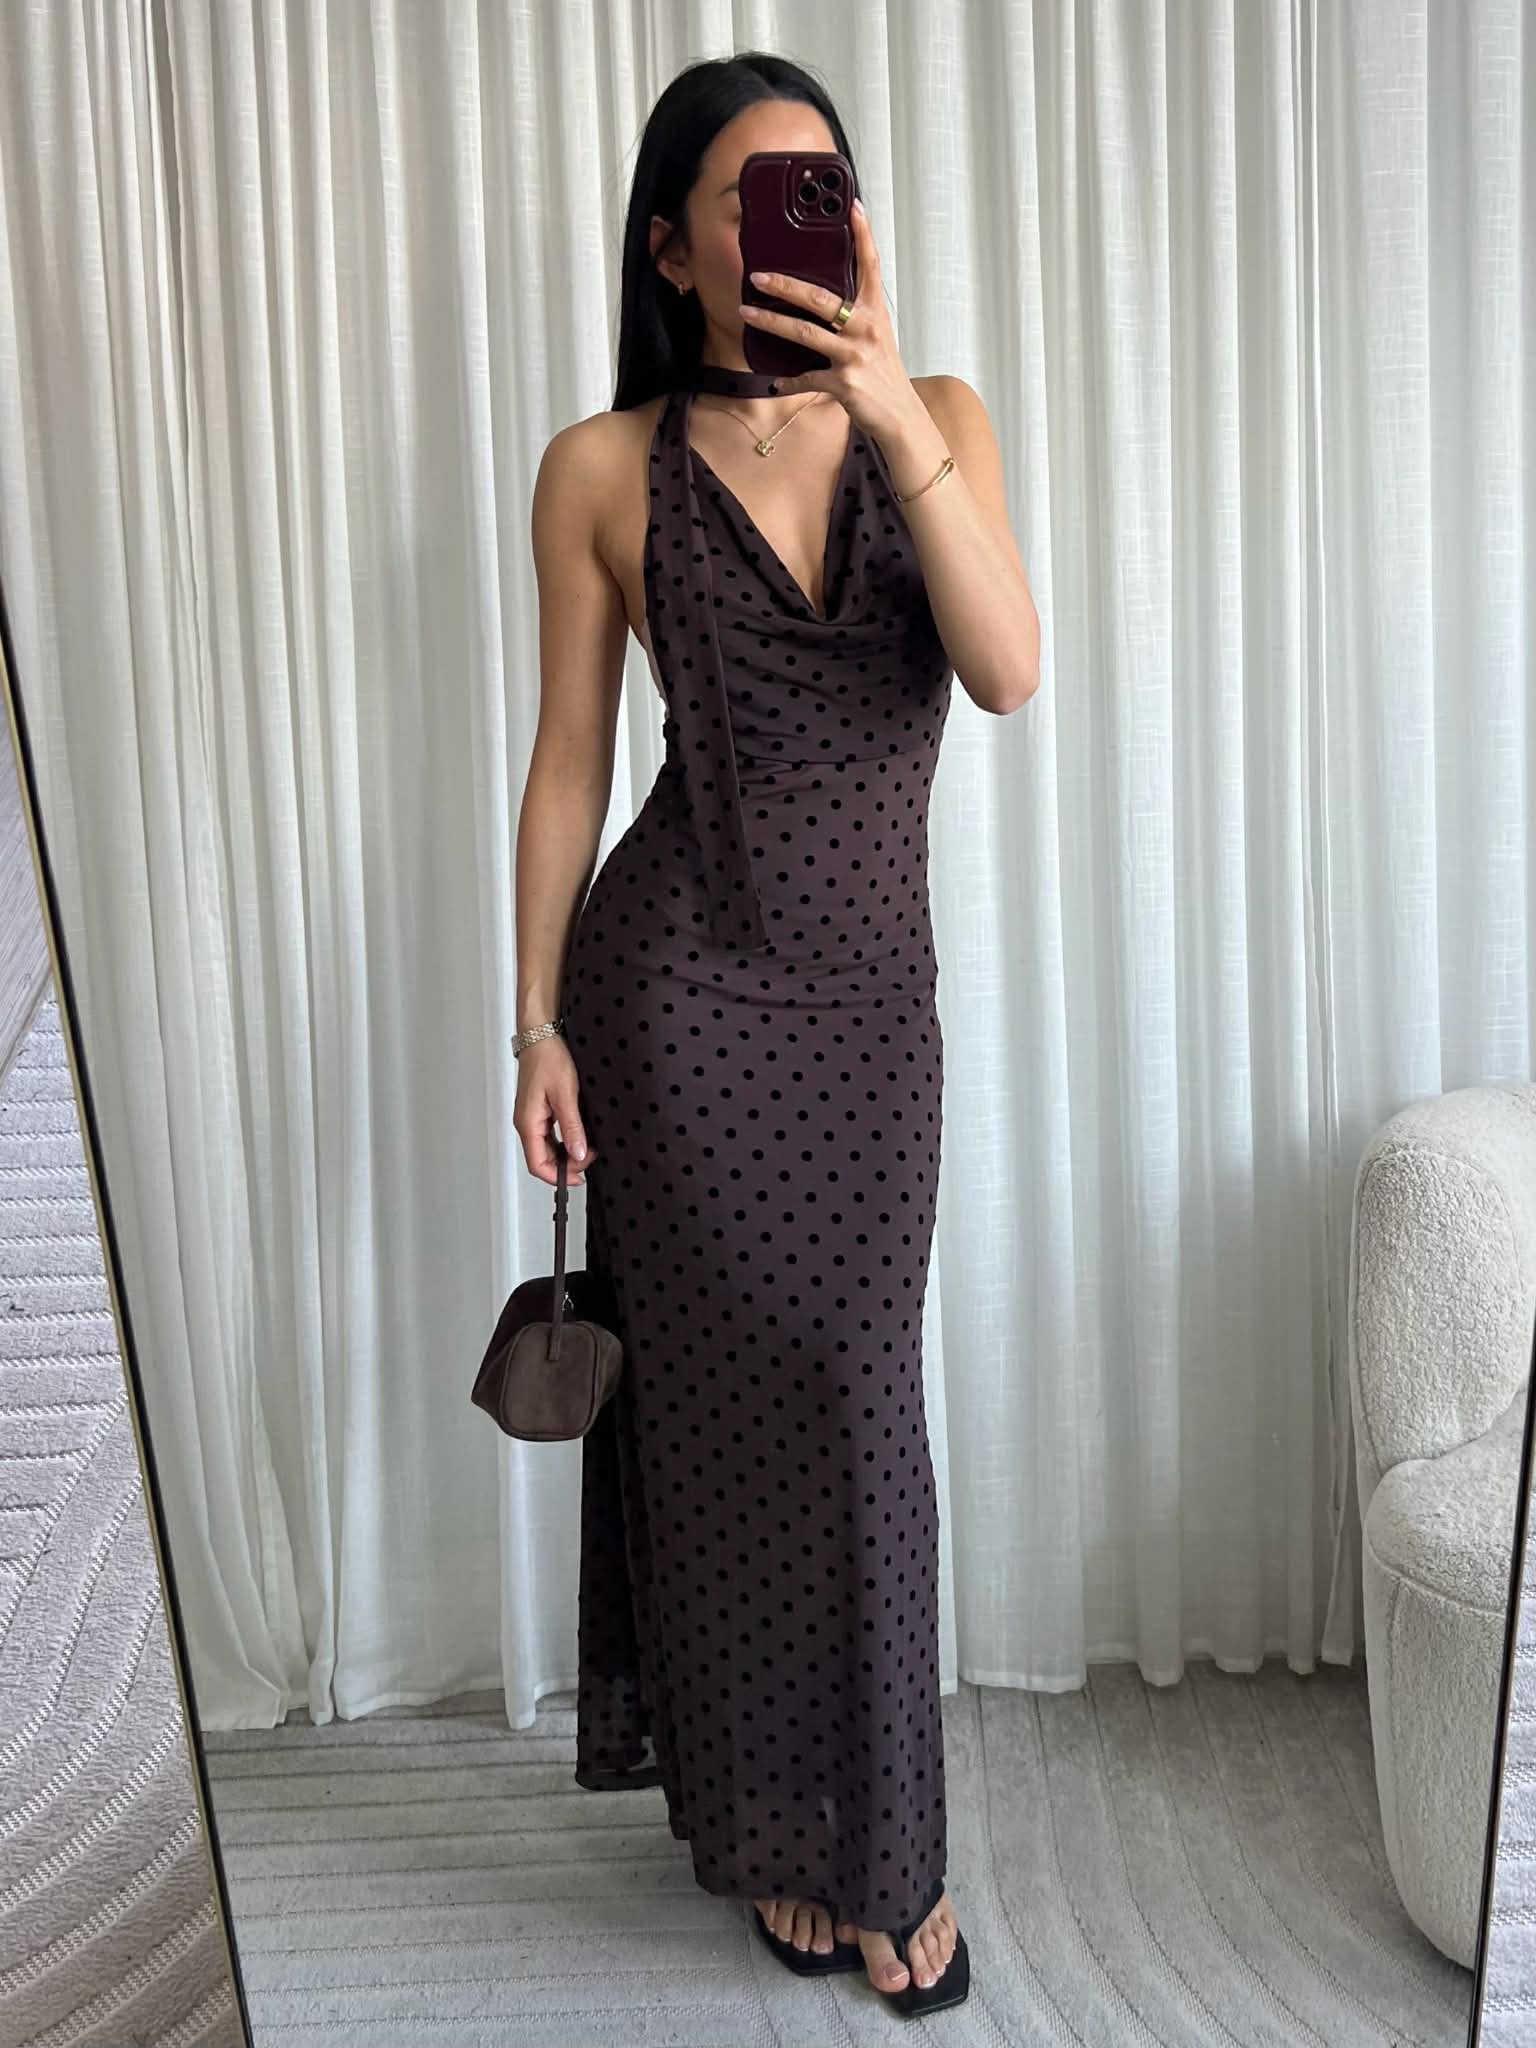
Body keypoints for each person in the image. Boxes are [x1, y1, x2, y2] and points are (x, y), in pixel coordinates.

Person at [511, 50, 1037, 2017]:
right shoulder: (599, 467)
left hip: (868, 1018)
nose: (799, 225)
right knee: (727, 1426)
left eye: (827, 188)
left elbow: (1008, 668)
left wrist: (887, 406)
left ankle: (888, 1850)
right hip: (674, 1004)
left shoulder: (943, 416)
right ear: (676, 248)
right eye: (754, 196)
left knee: (859, 1407)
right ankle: (767, 1832)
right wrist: (534, 1024)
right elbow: (571, 764)